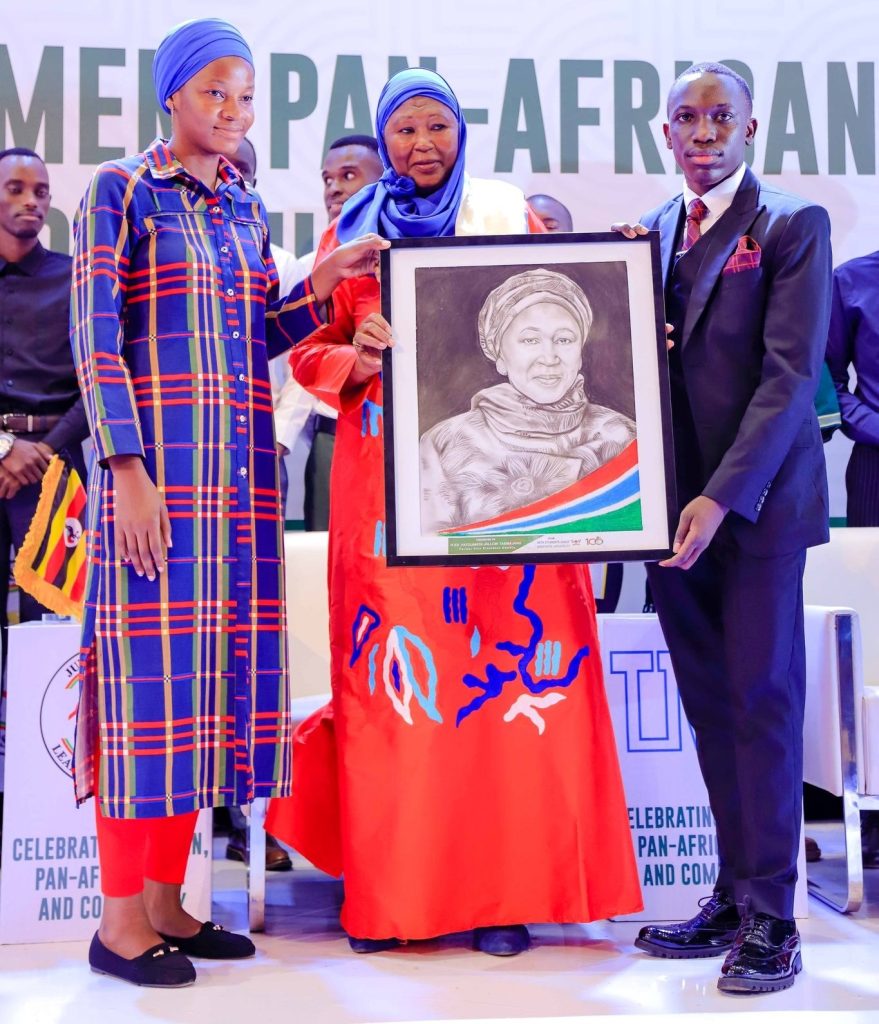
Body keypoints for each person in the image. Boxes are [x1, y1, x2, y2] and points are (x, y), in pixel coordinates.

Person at [266, 67, 641, 957]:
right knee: (397, 692)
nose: (420, 146)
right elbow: (303, 353)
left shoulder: (502, 218)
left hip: (510, 496)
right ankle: (394, 898)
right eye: (403, 131)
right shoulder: (346, 234)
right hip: (384, 491)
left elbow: (565, 309)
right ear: (381, 140)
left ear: (461, 133)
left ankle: (498, 897)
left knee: (502, 679)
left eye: (436, 127)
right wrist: (355, 354)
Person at [70, 17, 387, 988]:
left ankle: (169, 901)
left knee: (200, 700)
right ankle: (120, 923)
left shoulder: (245, 205)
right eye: (215, 91)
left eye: (245, 95)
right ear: (171, 95)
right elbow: (95, 339)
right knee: (143, 699)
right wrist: (125, 472)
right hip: (155, 492)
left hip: (236, 499)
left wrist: (318, 286)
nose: (233, 110)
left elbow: (257, 332)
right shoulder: (121, 192)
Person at [614, 62, 831, 994]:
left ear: (751, 126)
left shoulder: (790, 224)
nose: (701, 133)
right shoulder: (656, 229)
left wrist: (720, 495)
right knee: (709, 709)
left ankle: (775, 919)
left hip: (754, 514)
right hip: (670, 515)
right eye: (684, 119)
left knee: (763, 707)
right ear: (665, 133)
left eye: (718, 117)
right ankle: (734, 896)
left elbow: (789, 382)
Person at [419, 267, 635, 531]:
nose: (549, 356)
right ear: (499, 356)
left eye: (564, 339)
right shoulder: (445, 443)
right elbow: (431, 545)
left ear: (580, 352)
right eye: (530, 340)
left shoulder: (623, 435)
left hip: (566, 573)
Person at [0, 148, 89, 640]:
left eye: (40, 191)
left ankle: (51, 723)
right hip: (6, 454)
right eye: (15, 189)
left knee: (54, 623)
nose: (30, 200)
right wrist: (8, 449)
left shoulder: (75, 279)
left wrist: (44, 451)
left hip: (57, 467)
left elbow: (98, 379)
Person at [274, 135, 384, 530]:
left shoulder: (411, 250)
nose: (334, 187)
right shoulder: (312, 268)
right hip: (334, 433)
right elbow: (303, 358)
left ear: (383, 178)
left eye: (348, 175)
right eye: (327, 178)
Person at [825, 249, 879, 867]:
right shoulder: (854, 281)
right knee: (877, 647)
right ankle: (873, 818)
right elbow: (827, 383)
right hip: (877, 470)